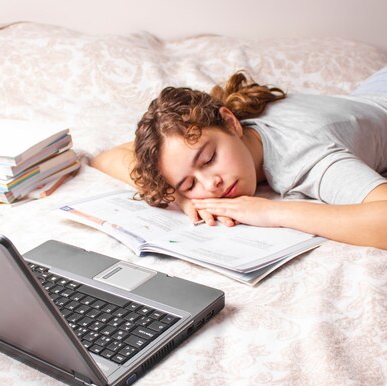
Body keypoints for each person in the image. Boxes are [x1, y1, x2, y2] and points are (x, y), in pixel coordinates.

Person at [91, 68, 387, 250]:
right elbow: (108, 157)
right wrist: (178, 197)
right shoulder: (199, 125)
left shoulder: (302, 157)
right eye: (190, 182)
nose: (212, 183)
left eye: (209, 160)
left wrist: (271, 213)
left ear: (231, 122)